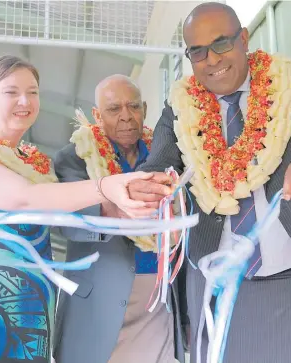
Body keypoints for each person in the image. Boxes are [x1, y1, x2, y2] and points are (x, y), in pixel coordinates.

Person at [128, 3, 291, 362]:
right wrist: (155, 192)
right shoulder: (178, 110)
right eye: (197, 51)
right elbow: (160, 163)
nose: (212, 59)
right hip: (220, 285)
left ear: (244, 39)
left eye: (221, 43)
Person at [0, 56, 155, 363]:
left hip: (33, 319)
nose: (25, 101)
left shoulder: (32, 163)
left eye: (32, 92)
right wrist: (106, 185)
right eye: (12, 92)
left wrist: (138, 201)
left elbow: (70, 210)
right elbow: (25, 197)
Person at [52, 74, 186, 363]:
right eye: (114, 109)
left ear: (145, 110)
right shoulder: (73, 157)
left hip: (159, 299)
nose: (126, 117)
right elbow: (69, 222)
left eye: (133, 106)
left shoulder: (167, 154)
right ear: (97, 116)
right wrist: (127, 210)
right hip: (100, 301)